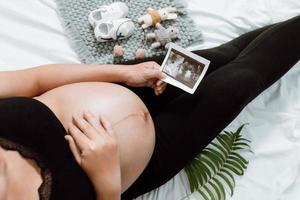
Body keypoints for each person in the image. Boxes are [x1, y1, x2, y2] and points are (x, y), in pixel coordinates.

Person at [0, 15, 299, 200]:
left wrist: (125, 73)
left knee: (218, 57)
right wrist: (107, 181)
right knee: (241, 79)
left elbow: (35, 79)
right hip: (153, 156)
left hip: (129, 83)